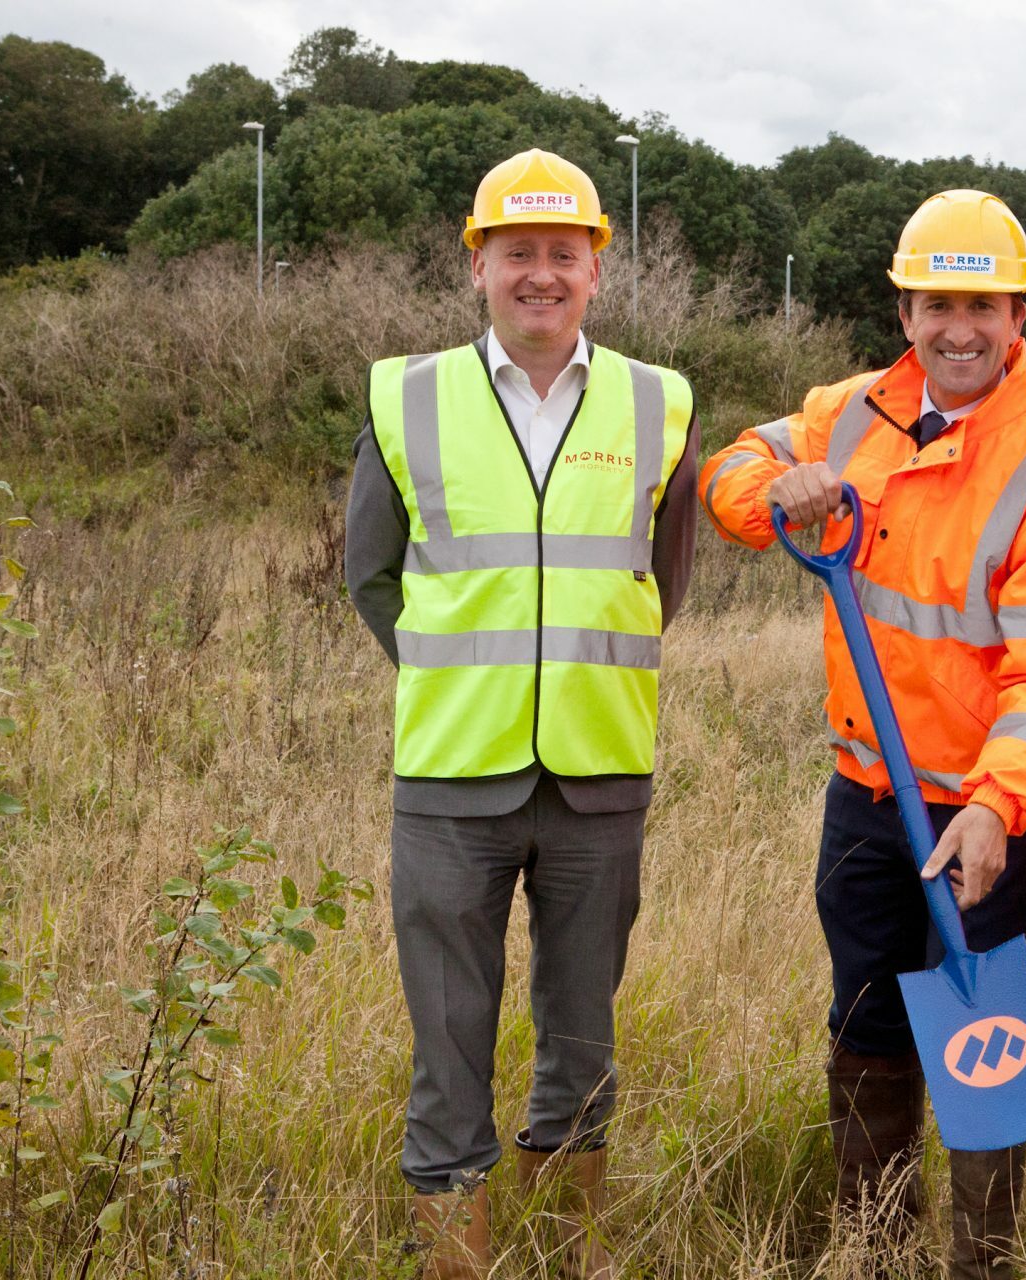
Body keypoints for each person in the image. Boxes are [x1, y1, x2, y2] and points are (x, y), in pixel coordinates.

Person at [700, 190, 1026, 1279]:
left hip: (977, 817)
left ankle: (982, 1260)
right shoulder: (847, 414)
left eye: (983, 307)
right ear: (906, 313)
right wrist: (778, 490)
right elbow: (730, 472)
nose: (959, 329)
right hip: (865, 797)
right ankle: (874, 1248)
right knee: (868, 1023)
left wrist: (998, 804)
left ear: (1019, 318)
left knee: (983, 1040)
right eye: (939, 305)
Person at [344, 147, 697, 1280]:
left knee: (583, 1037)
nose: (540, 273)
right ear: (478, 265)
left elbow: (665, 578)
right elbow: (370, 576)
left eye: (563, 253)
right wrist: (456, 677)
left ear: (597, 268)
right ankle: (457, 1262)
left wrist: (584, 669)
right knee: (450, 1043)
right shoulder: (406, 395)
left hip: (601, 775)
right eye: (516, 253)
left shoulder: (660, 401)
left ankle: (564, 1250)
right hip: (451, 781)